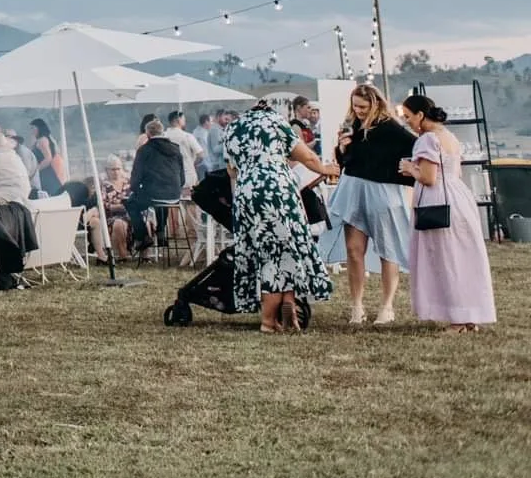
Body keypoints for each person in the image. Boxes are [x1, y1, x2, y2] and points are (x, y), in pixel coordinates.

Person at [226, 100, 337, 333]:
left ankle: (287, 306)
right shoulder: (277, 123)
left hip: (247, 191)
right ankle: (269, 320)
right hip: (278, 190)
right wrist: (327, 170)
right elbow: (307, 157)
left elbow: (231, 170)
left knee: (266, 251)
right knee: (285, 249)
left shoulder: (233, 128)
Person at [315, 83, 415, 325]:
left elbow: (415, 147)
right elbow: (344, 161)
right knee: (353, 250)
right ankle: (357, 305)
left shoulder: (391, 128)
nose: (358, 110)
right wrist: (341, 148)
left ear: (375, 103)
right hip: (354, 189)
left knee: (387, 249)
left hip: (382, 191)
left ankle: (387, 306)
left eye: (362, 106)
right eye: (355, 106)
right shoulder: (352, 126)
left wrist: (405, 172)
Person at [398, 94, 495, 331]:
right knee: (463, 258)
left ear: (420, 115)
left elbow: (429, 178)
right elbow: (454, 171)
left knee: (446, 259)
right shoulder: (449, 136)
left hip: (437, 199)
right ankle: (468, 315)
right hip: (459, 197)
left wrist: (410, 168)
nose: (407, 122)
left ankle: (457, 318)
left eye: (409, 117)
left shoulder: (427, 139)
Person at [125, 120, 188, 255]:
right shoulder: (176, 148)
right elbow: (182, 177)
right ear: (162, 132)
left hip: (155, 194)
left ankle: (143, 237)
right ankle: (160, 232)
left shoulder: (144, 150)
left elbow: (136, 177)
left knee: (130, 203)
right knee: (161, 200)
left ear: (147, 133)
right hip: (174, 195)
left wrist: (136, 190)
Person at [163, 112, 204, 184]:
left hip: (169, 174)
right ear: (178, 120)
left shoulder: (163, 136)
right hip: (187, 174)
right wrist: (193, 163)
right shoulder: (187, 136)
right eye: (183, 120)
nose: (185, 122)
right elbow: (200, 155)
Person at [28, 119, 63, 196]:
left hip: (45, 174)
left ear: (39, 128)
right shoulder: (40, 140)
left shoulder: (42, 140)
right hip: (44, 173)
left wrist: (36, 170)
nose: (32, 130)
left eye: (33, 128)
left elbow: (48, 158)